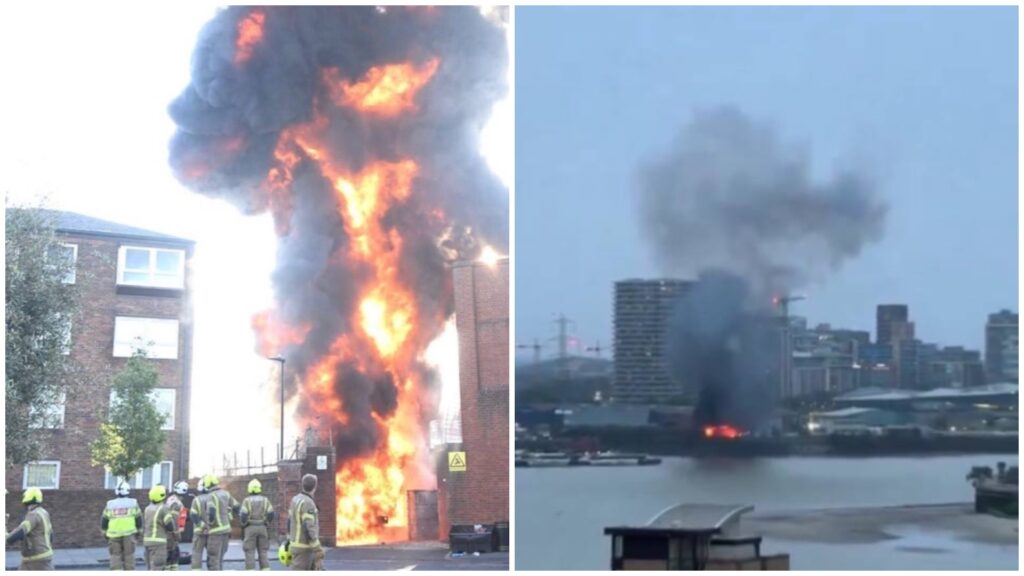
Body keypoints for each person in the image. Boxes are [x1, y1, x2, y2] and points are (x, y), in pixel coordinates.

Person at [5, 487, 54, 570]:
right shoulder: (43, 512)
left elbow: (21, 531)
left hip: (36, 559)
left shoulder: (33, 515)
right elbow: (51, 535)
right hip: (42, 557)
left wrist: (7, 539)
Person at [102, 481, 142, 570]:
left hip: (113, 535)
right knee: (129, 556)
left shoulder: (110, 504)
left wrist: (104, 532)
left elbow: (104, 519)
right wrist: (139, 531)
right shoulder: (133, 503)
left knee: (115, 556)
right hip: (129, 535)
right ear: (128, 491)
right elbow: (138, 518)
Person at [287, 474, 324, 571]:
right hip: (304, 548)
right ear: (315, 486)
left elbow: (289, 521)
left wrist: (289, 538)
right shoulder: (308, 503)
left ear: (303, 484)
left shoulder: (295, 499)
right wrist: (317, 548)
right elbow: (309, 527)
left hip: (295, 544)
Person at [204, 475, 240, 571]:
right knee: (220, 559)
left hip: (215, 532)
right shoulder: (226, 493)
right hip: (226, 531)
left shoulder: (211, 496)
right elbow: (237, 507)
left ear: (208, 484)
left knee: (213, 560)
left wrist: (209, 525)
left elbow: (211, 511)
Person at [240, 478, 275, 570]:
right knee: (263, 552)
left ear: (249, 488)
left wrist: (244, 524)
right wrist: (267, 522)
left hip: (250, 527)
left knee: (250, 552)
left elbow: (243, 515)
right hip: (262, 527)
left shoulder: (247, 501)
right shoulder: (265, 500)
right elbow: (271, 513)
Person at [143, 485, 177, 571]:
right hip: (159, 543)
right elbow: (170, 526)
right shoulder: (163, 509)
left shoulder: (147, 509)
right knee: (158, 567)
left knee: (150, 568)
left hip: (147, 542)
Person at [165, 481, 188, 570]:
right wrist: (177, 534)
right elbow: (174, 519)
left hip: (170, 533)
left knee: (172, 553)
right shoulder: (177, 504)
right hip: (172, 534)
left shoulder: (171, 499)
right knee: (172, 554)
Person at [189, 480, 209, 570]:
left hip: (199, 532)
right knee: (213, 555)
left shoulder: (196, 500)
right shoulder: (214, 498)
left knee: (197, 554)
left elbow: (193, 515)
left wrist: (202, 526)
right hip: (212, 532)